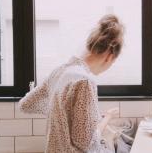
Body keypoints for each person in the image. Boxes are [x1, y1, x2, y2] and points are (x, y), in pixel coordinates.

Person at [18, 14, 124, 153]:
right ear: (110, 57)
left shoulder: (59, 71)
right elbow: (85, 143)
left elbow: (25, 104)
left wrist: (60, 112)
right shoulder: (84, 81)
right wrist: (107, 117)